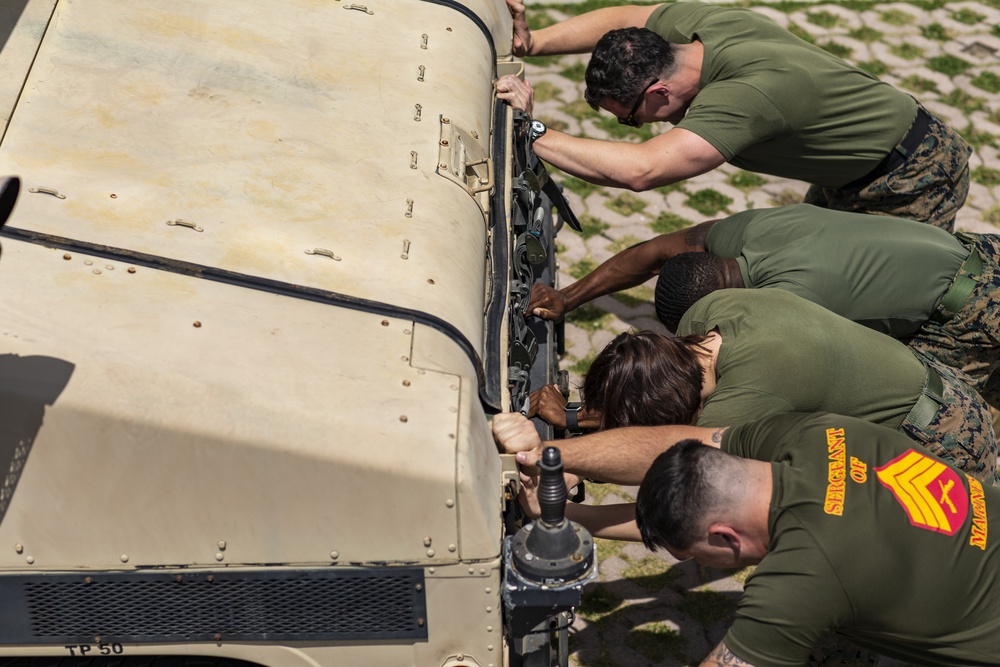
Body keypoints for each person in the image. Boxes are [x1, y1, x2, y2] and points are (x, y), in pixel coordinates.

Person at [494, 1, 971, 230]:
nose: (634, 127)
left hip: (912, 177)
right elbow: (629, 18)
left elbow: (643, 170)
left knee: (889, 308)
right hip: (854, 165)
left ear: (658, 91)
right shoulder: (689, 35)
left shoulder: (741, 101)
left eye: (631, 119)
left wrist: (532, 129)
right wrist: (534, 44)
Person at [515, 289, 1000, 487]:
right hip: (935, 381)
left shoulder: (745, 402)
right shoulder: (703, 318)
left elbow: (660, 457)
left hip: (943, 438)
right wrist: (582, 416)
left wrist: (567, 460)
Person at [529, 204, 1000, 406]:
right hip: (981, 252)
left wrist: (582, 415)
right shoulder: (743, 235)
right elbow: (654, 251)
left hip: (975, 313)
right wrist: (567, 297)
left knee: (945, 403)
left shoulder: (789, 302)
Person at [633, 411, 1000, 666]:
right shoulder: (817, 431)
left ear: (724, 536)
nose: (698, 565)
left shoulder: (805, 573)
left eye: (697, 556)